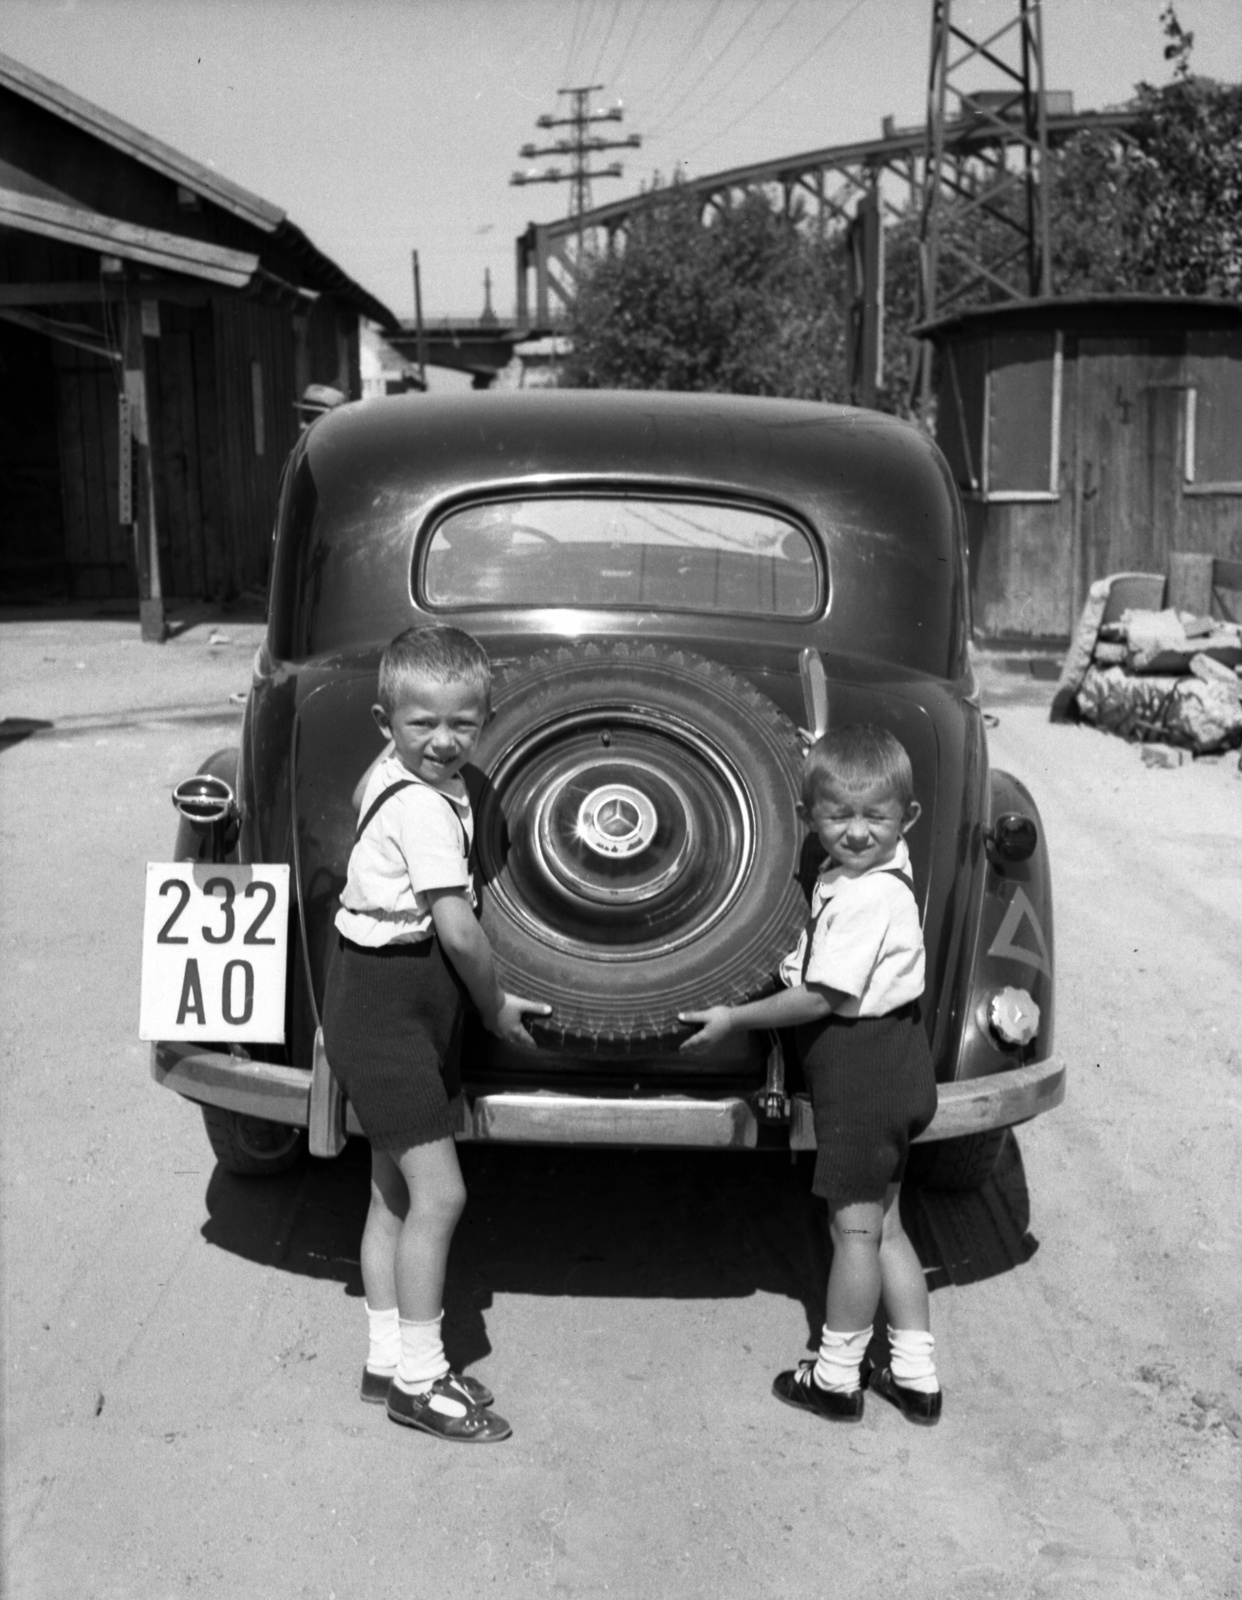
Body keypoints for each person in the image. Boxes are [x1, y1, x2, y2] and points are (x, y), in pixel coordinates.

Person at [321, 624, 549, 1442]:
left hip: (384, 997)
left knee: (391, 1191)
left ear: (483, 718)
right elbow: (457, 931)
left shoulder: (392, 777)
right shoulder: (423, 806)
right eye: (423, 725)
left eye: (463, 723)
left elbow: (361, 801)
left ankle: (387, 1356)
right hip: (390, 1007)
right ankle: (420, 1380)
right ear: (388, 721)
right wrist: (496, 1010)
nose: (445, 742)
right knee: (441, 1194)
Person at [679, 724, 941, 1425]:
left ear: (906, 819)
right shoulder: (882, 870)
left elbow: (821, 996)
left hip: (863, 1071)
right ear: (809, 817)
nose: (855, 832)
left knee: (853, 1233)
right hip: (898, 1060)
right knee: (887, 1226)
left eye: (875, 817)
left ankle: (835, 1377)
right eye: (837, 815)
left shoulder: (864, 898)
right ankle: (916, 1376)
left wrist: (736, 1019)